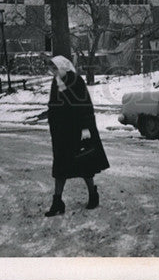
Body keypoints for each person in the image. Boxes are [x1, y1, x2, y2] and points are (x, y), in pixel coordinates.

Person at [42, 54, 109, 217]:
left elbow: (84, 105)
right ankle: (57, 201)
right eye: (51, 69)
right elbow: (55, 103)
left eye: (55, 68)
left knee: (85, 164)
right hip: (61, 133)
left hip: (78, 130)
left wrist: (86, 128)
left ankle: (93, 194)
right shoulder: (56, 81)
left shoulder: (76, 81)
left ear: (63, 67)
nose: (53, 71)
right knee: (60, 167)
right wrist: (50, 117)